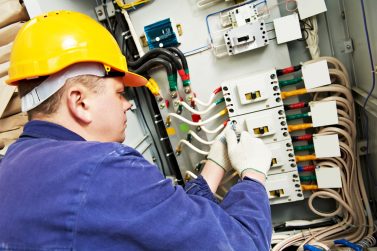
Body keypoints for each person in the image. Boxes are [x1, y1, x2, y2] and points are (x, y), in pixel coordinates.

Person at [0, 10, 273, 251]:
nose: (128, 105)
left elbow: (166, 222)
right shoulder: (105, 168)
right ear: (80, 101)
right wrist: (253, 177)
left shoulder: (12, 163)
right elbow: (242, 246)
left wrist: (215, 165)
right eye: (119, 93)